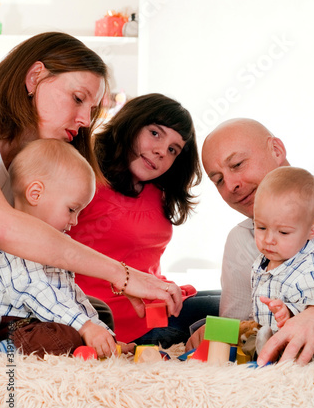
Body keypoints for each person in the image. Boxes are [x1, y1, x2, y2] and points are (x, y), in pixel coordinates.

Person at [0, 32, 183, 320]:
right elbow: (6, 229)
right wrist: (122, 275)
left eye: (92, 109)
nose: (85, 120)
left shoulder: (41, 161)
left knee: (96, 312)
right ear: (34, 77)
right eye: (77, 99)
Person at [70, 93, 221, 348]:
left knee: (241, 297)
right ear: (131, 123)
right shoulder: (85, 177)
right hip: (118, 321)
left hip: (161, 305)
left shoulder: (156, 190)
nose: (162, 151)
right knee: (234, 306)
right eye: (155, 133)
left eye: (173, 149)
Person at [186, 118, 314, 364]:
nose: (232, 184)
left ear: (276, 150)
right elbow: (245, 326)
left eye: (237, 164)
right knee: (186, 311)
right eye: (218, 180)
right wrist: (222, 332)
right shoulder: (240, 242)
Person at [0, 139, 135, 358]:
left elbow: (72, 296)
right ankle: (5, 352)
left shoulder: (52, 247)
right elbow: (38, 290)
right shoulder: (19, 247)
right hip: (12, 328)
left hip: (41, 322)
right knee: (62, 338)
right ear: (35, 194)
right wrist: (86, 328)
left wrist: (107, 337)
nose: (75, 221)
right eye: (72, 209)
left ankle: (91, 347)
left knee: (97, 315)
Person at [252, 166, 314, 331]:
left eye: (283, 232)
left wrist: (288, 312)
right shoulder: (263, 261)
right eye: (261, 227)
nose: (268, 240)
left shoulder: (310, 271)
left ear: (312, 230)